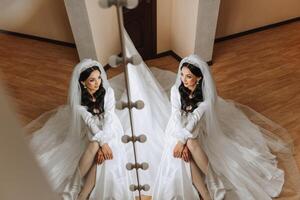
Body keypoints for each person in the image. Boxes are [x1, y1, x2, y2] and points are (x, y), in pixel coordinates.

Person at [152, 54, 299, 200]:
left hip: (194, 128)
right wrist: (180, 140)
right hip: (176, 128)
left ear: (199, 78)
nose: (183, 79)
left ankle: (213, 183)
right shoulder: (175, 90)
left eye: (189, 76)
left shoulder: (206, 96)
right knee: (185, 152)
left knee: (190, 142)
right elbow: (176, 115)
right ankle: (207, 194)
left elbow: (196, 119)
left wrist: (182, 142)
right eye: (182, 74)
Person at [27, 59, 133, 200]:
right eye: (92, 80)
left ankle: (82, 194)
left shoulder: (108, 92)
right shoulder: (79, 101)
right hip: (92, 128)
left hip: (110, 127)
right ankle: (74, 186)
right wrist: (103, 144)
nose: (98, 82)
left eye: (99, 78)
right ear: (83, 83)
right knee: (95, 144)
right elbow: (89, 122)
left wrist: (104, 143)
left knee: (102, 155)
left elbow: (109, 118)